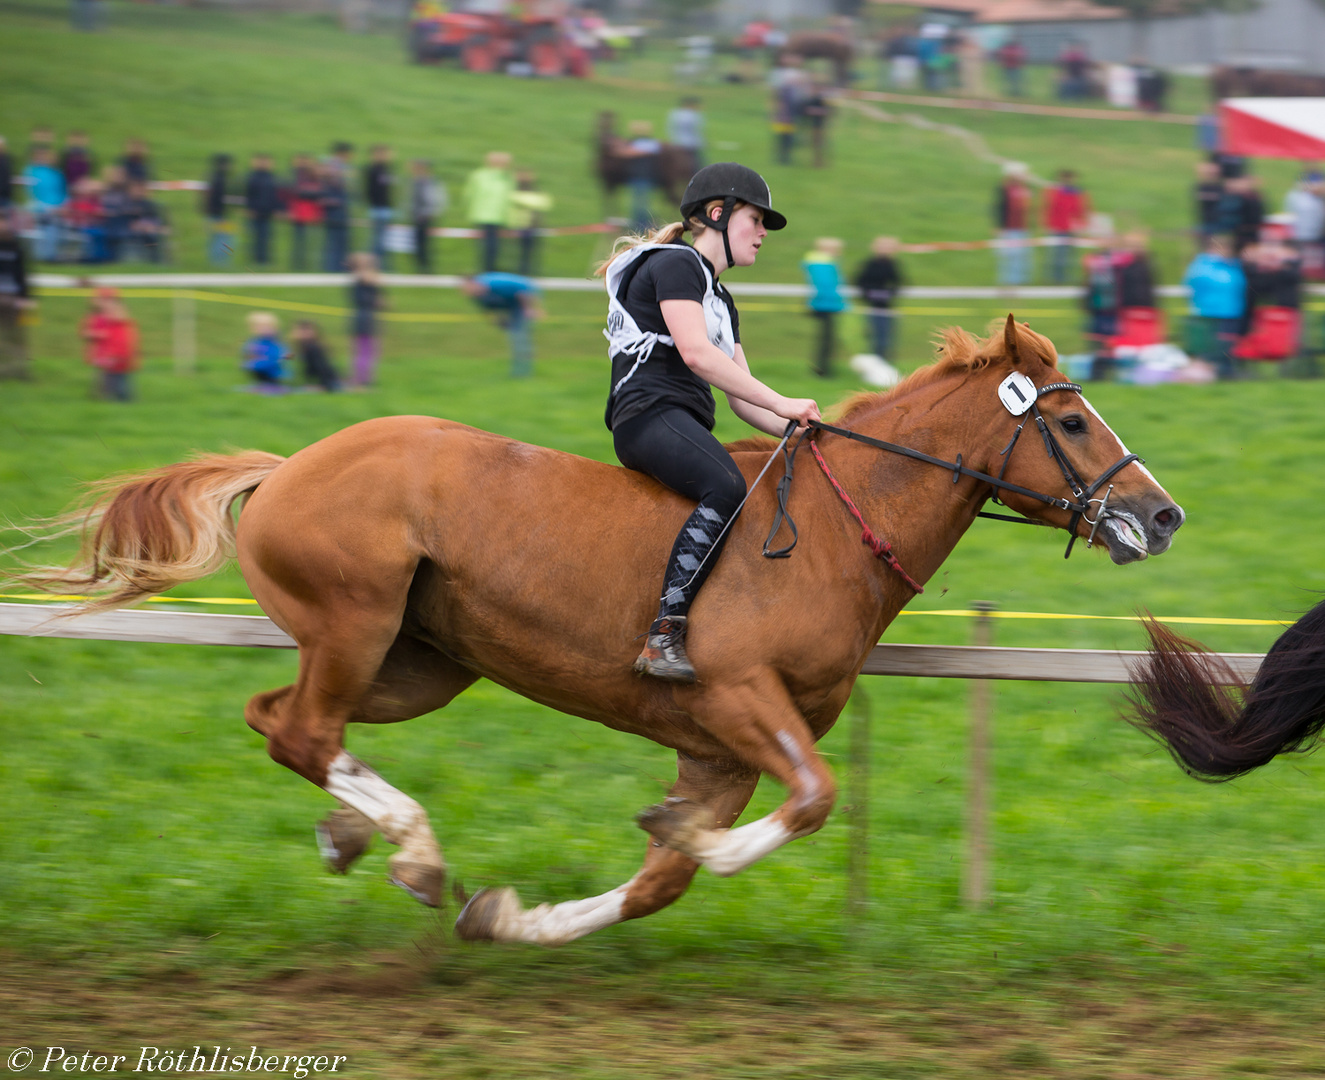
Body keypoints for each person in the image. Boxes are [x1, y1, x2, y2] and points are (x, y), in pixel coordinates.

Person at [595, 162, 819, 682]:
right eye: (756, 219)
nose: (763, 233)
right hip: (649, 415)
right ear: (717, 215)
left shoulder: (720, 297)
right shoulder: (676, 266)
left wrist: (799, 426)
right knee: (726, 484)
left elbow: (743, 400)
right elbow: (697, 355)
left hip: (682, 418)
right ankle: (664, 634)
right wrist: (783, 401)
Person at [1183, 235, 1246, 379]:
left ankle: (1226, 372)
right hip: (1209, 312)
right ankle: (1211, 373)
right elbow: (1197, 284)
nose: (1226, 251)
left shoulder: (1234, 265)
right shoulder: (1202, 265)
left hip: (1232, 312)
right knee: (1211, 347)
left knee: (1228, 346)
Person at [460, 271, 542, 377]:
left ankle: (524, 371)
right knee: (514, 334)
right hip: (511, 300)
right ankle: (519, 369)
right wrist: (497, 321)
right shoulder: (476, 294)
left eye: (467, 287)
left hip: (524, 296)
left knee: (519, 335)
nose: (464, 291)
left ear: (474, 283)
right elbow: (488, 309)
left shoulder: (497, 284)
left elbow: (523, 292)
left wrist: (530, 309)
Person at [81, 288, 139, 401]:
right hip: (106, 354)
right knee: (107, 376)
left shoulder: (119, 318)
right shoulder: (96, 317)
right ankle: (106, 397)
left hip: (118, 354)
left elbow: (119, 334)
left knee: (118, 377)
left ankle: (122, 398)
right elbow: (86, 333)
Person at [855, 235, 904, 361]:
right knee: (872, 336)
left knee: (886, 337)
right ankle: (874, 363)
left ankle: (884, 363)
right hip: (872, 306)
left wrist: (888, 294)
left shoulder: (893, 264)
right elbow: (860, 282)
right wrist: (871, 294)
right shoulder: (869, 264)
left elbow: (898, 283)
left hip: (887, 306)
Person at [463, 151, 514, 273]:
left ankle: (486, 268)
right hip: (500, 216)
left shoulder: (478, 175)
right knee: (495, 245)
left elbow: (468, 195)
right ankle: (491, 268)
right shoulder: (508, 177)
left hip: (480, 215)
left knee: (484, 244)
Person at [803, 236, 845, 376]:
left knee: (826, 339)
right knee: (827, 340)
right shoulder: (824, 264)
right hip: (826, 305)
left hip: (825, 304)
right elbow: (827, 286)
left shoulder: (820, 263)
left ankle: (823, 368)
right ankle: (823, 370)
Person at [1042, 169, 1090, 285]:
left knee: (1070, 254)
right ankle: (1057, 277)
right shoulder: (1054, 192)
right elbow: (1049, 209)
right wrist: (1048, 225)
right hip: (1058, 227)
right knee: (1058, 254)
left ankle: (1068, 276)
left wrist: (1081, 225)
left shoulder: (1077, 193)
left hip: (1072, 229)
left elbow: (1080, 210)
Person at [0, 211, 33, 380]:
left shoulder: (16, 246)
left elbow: (23, 273)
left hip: (13, 297)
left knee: (17, 336)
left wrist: (26, 298)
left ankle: (19, 371)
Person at [993, 161, 1033, 287]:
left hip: (1022, 227)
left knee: (1021, 255)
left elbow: (1028, 207)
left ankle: (1018, 279)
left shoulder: (1025, 189)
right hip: (1008, 227)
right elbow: (999, 207)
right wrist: (998, 226)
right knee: (1008, 255)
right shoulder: (1004, 189)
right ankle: (1006, 279)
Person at [23, 146, 66, 262]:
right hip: (39, 209)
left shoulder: (57, 173)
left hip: (56, 209)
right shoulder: (31, 171)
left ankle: (50, 255)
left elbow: (62, 192)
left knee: (54, 227)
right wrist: (45, 207)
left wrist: (62, 206)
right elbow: (30, 193)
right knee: (47, 225)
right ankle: (44, 255)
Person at [347, 252, 384, 386]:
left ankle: (364, 378)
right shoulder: (363, 276)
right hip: (364, 317)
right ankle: (360, 379)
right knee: (364, 349)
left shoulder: (363, 277)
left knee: (369, 350)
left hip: (367, 317)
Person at [408, 159, 445, 275]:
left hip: (425, 216)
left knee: (425, 243)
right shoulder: (414, 182)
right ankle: (421, 267)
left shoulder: (431, 182)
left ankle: (426, 267)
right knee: (417, 243)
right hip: (416, 216)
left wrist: (432, 213)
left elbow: (437, 199)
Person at [286, 154, 322, 272]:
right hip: (300, 214)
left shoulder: (314, 178)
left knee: (311, 241)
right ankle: (298, 264)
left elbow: (317, 194)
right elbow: (295, 193)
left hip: (312, 214)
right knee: (299, 240)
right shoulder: (295, 177)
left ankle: (309, 264)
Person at [244, 154, 280, 266]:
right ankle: (254, 260)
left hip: (267, 212)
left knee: (266, 237)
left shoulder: (272, 177)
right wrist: (249, 209)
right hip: (254, 212)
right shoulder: (251, 177)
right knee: (254, 237)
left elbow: (276, 195)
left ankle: (264, 260)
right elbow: (247, 194)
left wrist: (276, 209)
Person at [363, 144, 394, 268]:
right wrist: (373, 204)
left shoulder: (387, 169)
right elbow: (370, 190)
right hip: (377, 208)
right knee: (378, 239)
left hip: (385, 208)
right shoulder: (372, 170)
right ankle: (375, 265)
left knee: (383, 239)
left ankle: (380, 265)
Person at [241, 312, 289, 391]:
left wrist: (257, 364)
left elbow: (277, 357)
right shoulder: (255, 341)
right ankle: (262, 385)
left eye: (267, 326)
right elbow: (247, 352)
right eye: (259, 326)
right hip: (259, 371)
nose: (263, 329)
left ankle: (273, 386)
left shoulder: (275, 342)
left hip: (273, 372)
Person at [291, 320, 341, 391]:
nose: (304, 333)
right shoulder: (302, 346)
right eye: (302, 330)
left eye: (307, 330)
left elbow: (321, 366)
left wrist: (325, 383)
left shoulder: (313, 348)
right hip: (317, 380)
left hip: (325, 380)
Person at [123, 180, 166, 263]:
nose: (139, 192)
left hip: (149, 227)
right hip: (132, 228)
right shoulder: (126, 203)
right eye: (136, 189)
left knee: (153, 233)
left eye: (141, 189)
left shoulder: (148, 204)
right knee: (150, 234)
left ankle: (155, 260)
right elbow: (128, 219)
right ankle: (154, 260)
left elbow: (155, 217)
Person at [320, 161, 351, 272]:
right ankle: (332, 268)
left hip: (341, 218)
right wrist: (333, 201)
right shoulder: (327, 184)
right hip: (333, 218)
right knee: (333, 245)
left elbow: (343, 200)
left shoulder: (340, 184)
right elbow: (323, 201)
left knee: (342, 245)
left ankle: (340, 268)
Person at [203, 153, 233, 266]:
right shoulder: (222, 179)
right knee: (223, 239)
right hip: (221, 215)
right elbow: (221, 199)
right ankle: (220, 263)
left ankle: (216, 262)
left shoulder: (212, 178)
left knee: (216, 238)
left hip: (213, 214)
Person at [667, 96, 705, 173]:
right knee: (695, 164)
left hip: (677, 142)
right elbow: (696, 130)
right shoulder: (694, 115)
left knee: (679, 162)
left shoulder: (674, 113)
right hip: (691, 143)